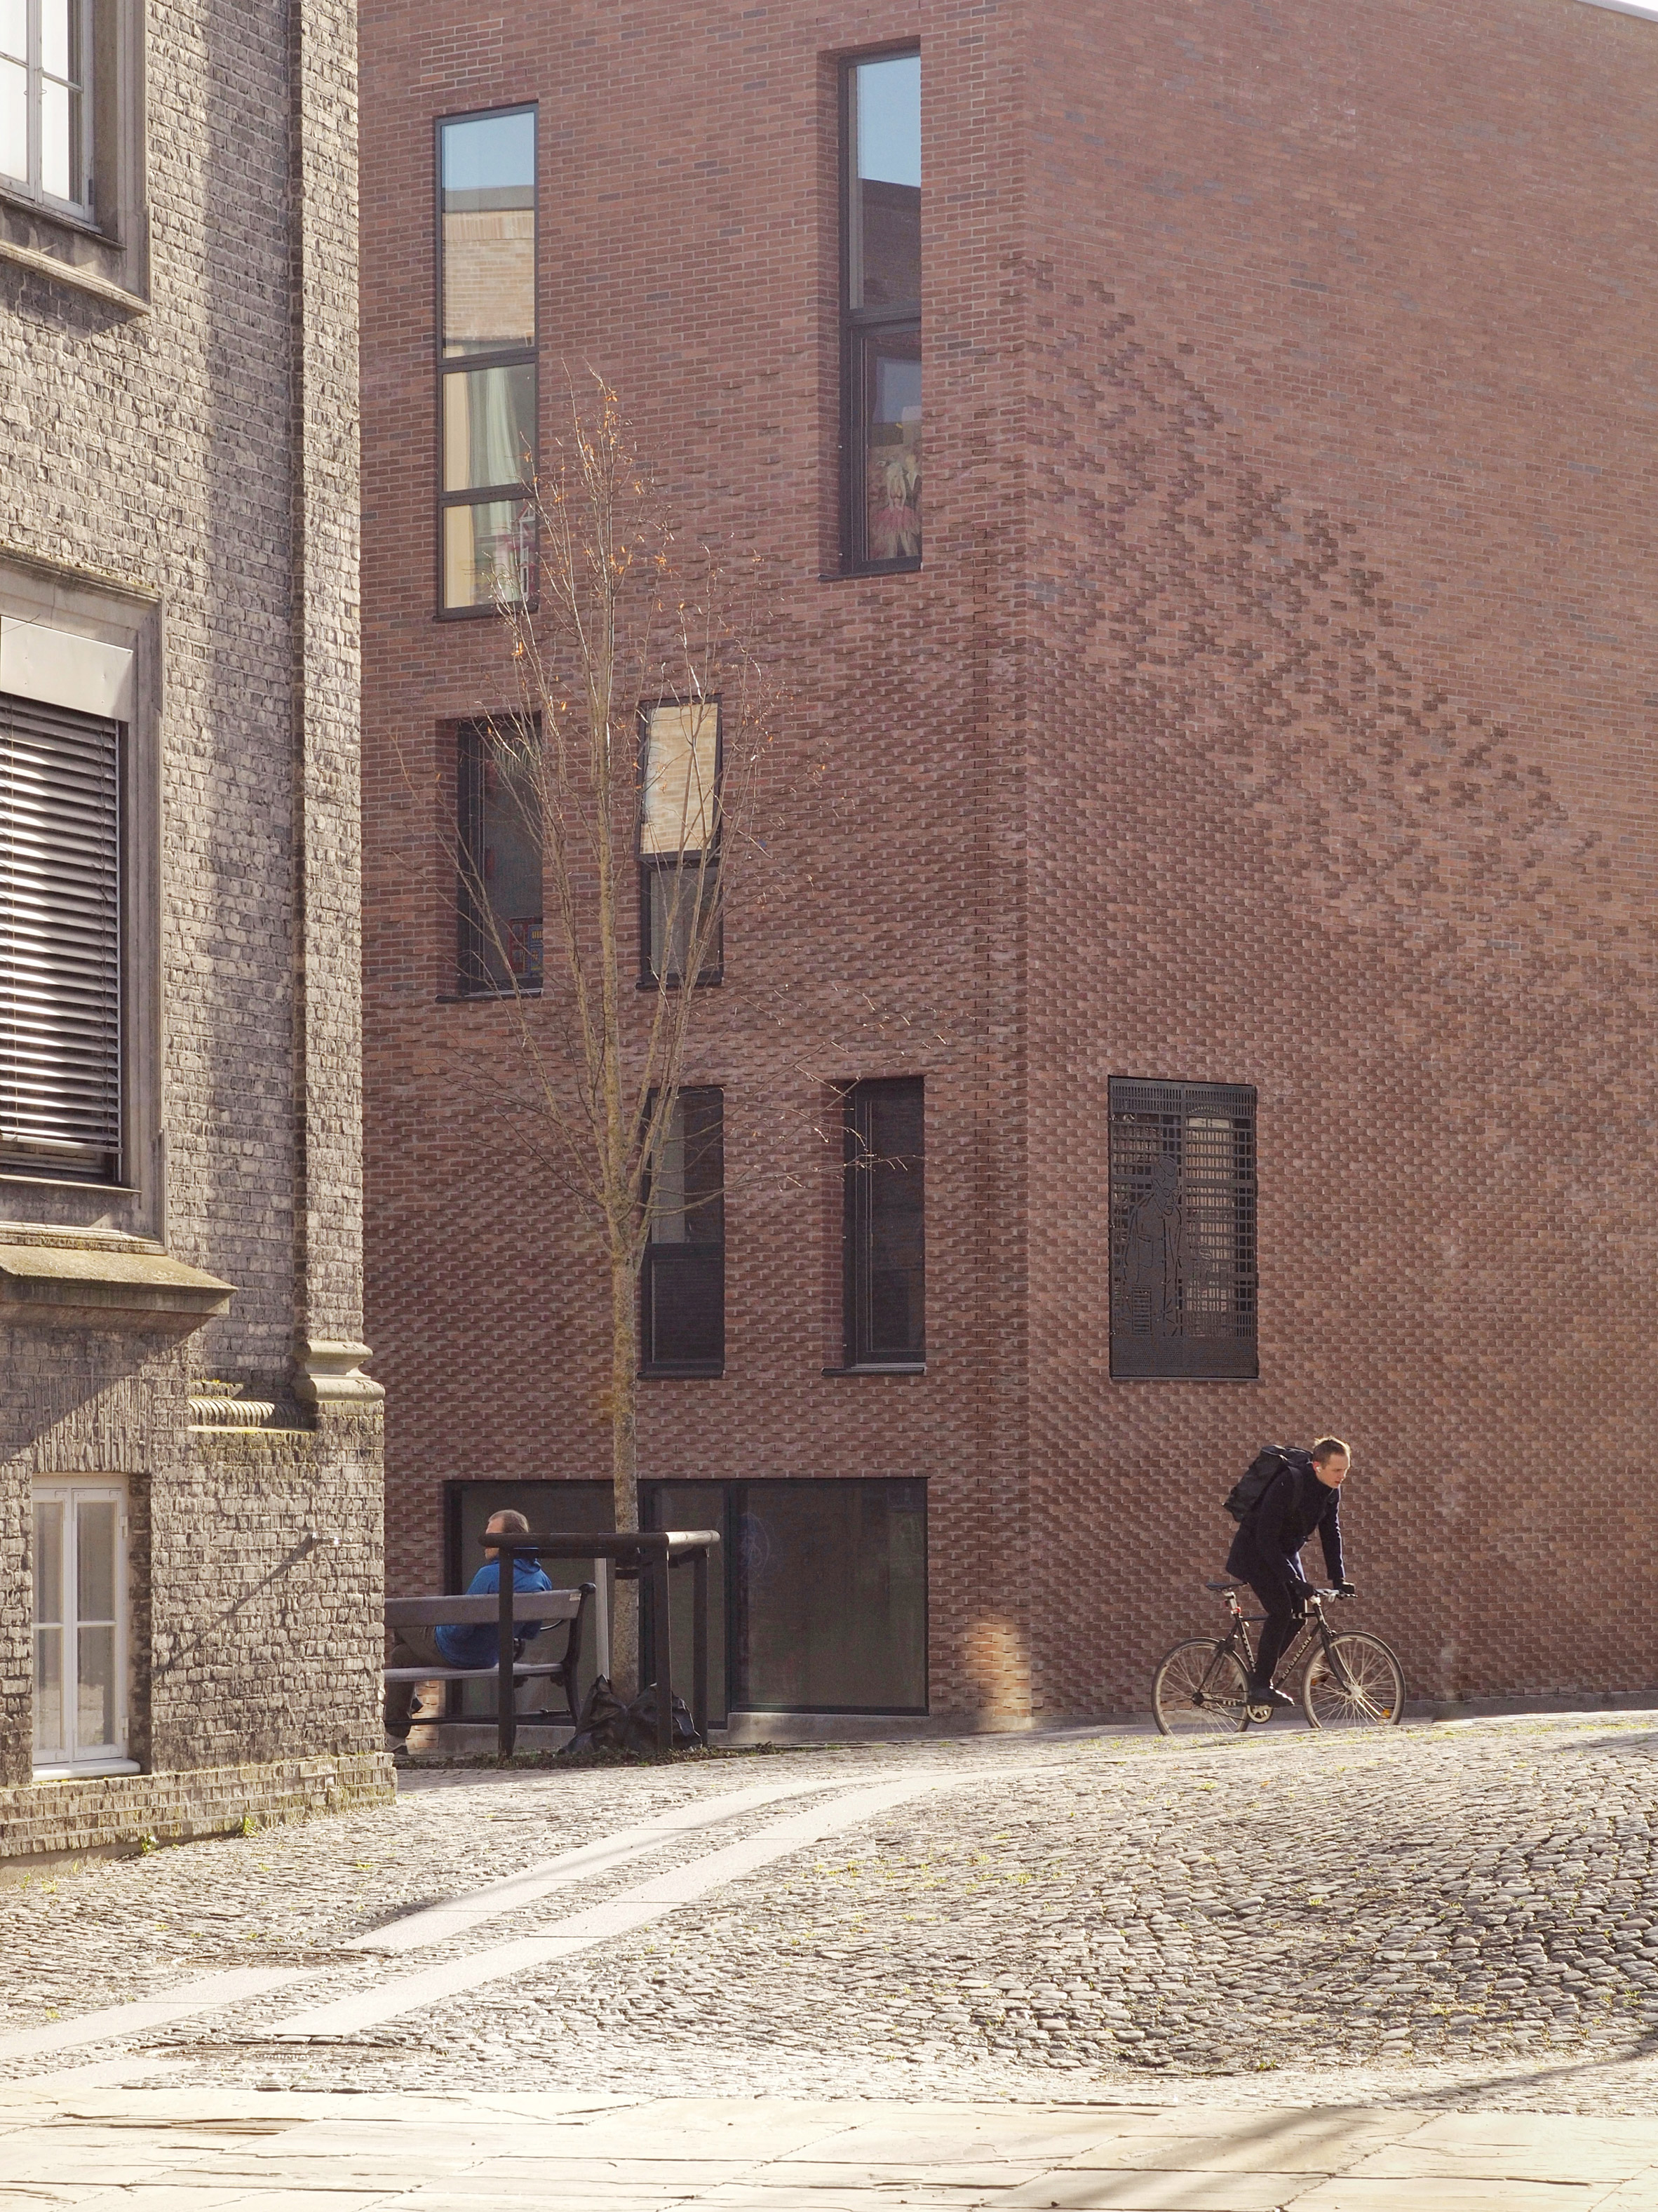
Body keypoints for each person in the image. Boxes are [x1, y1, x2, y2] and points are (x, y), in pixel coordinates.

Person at [384, 1508, 554, 1746]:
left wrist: (444, 1626)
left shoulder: (490, 1575)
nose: (484, 1542)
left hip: (455, 1651)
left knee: (402, 1623)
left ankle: (398, 1728)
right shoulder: (541, 1579)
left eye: (491, 1536)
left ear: (508, 1539)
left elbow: (458, 1632)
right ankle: (396, 1739)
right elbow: (530, 1632)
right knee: (401, 1656)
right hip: (489, 1656)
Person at [1225, 1436, 1356, 1712]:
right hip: (1255, 1551)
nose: (1342, 1476)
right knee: (1282, 1609)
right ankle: (1261, 1685)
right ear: (1317, 1466)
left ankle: (1257, 1677)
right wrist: (1294, 1580)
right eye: (1336, 1470)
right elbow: (1265, 1539)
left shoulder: (1331, 1490)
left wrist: (1339, 1579)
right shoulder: (1289, 1482)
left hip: (1284, 1551)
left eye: (1346, 1470)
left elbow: (1331, 1532)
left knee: (1298, 1612)